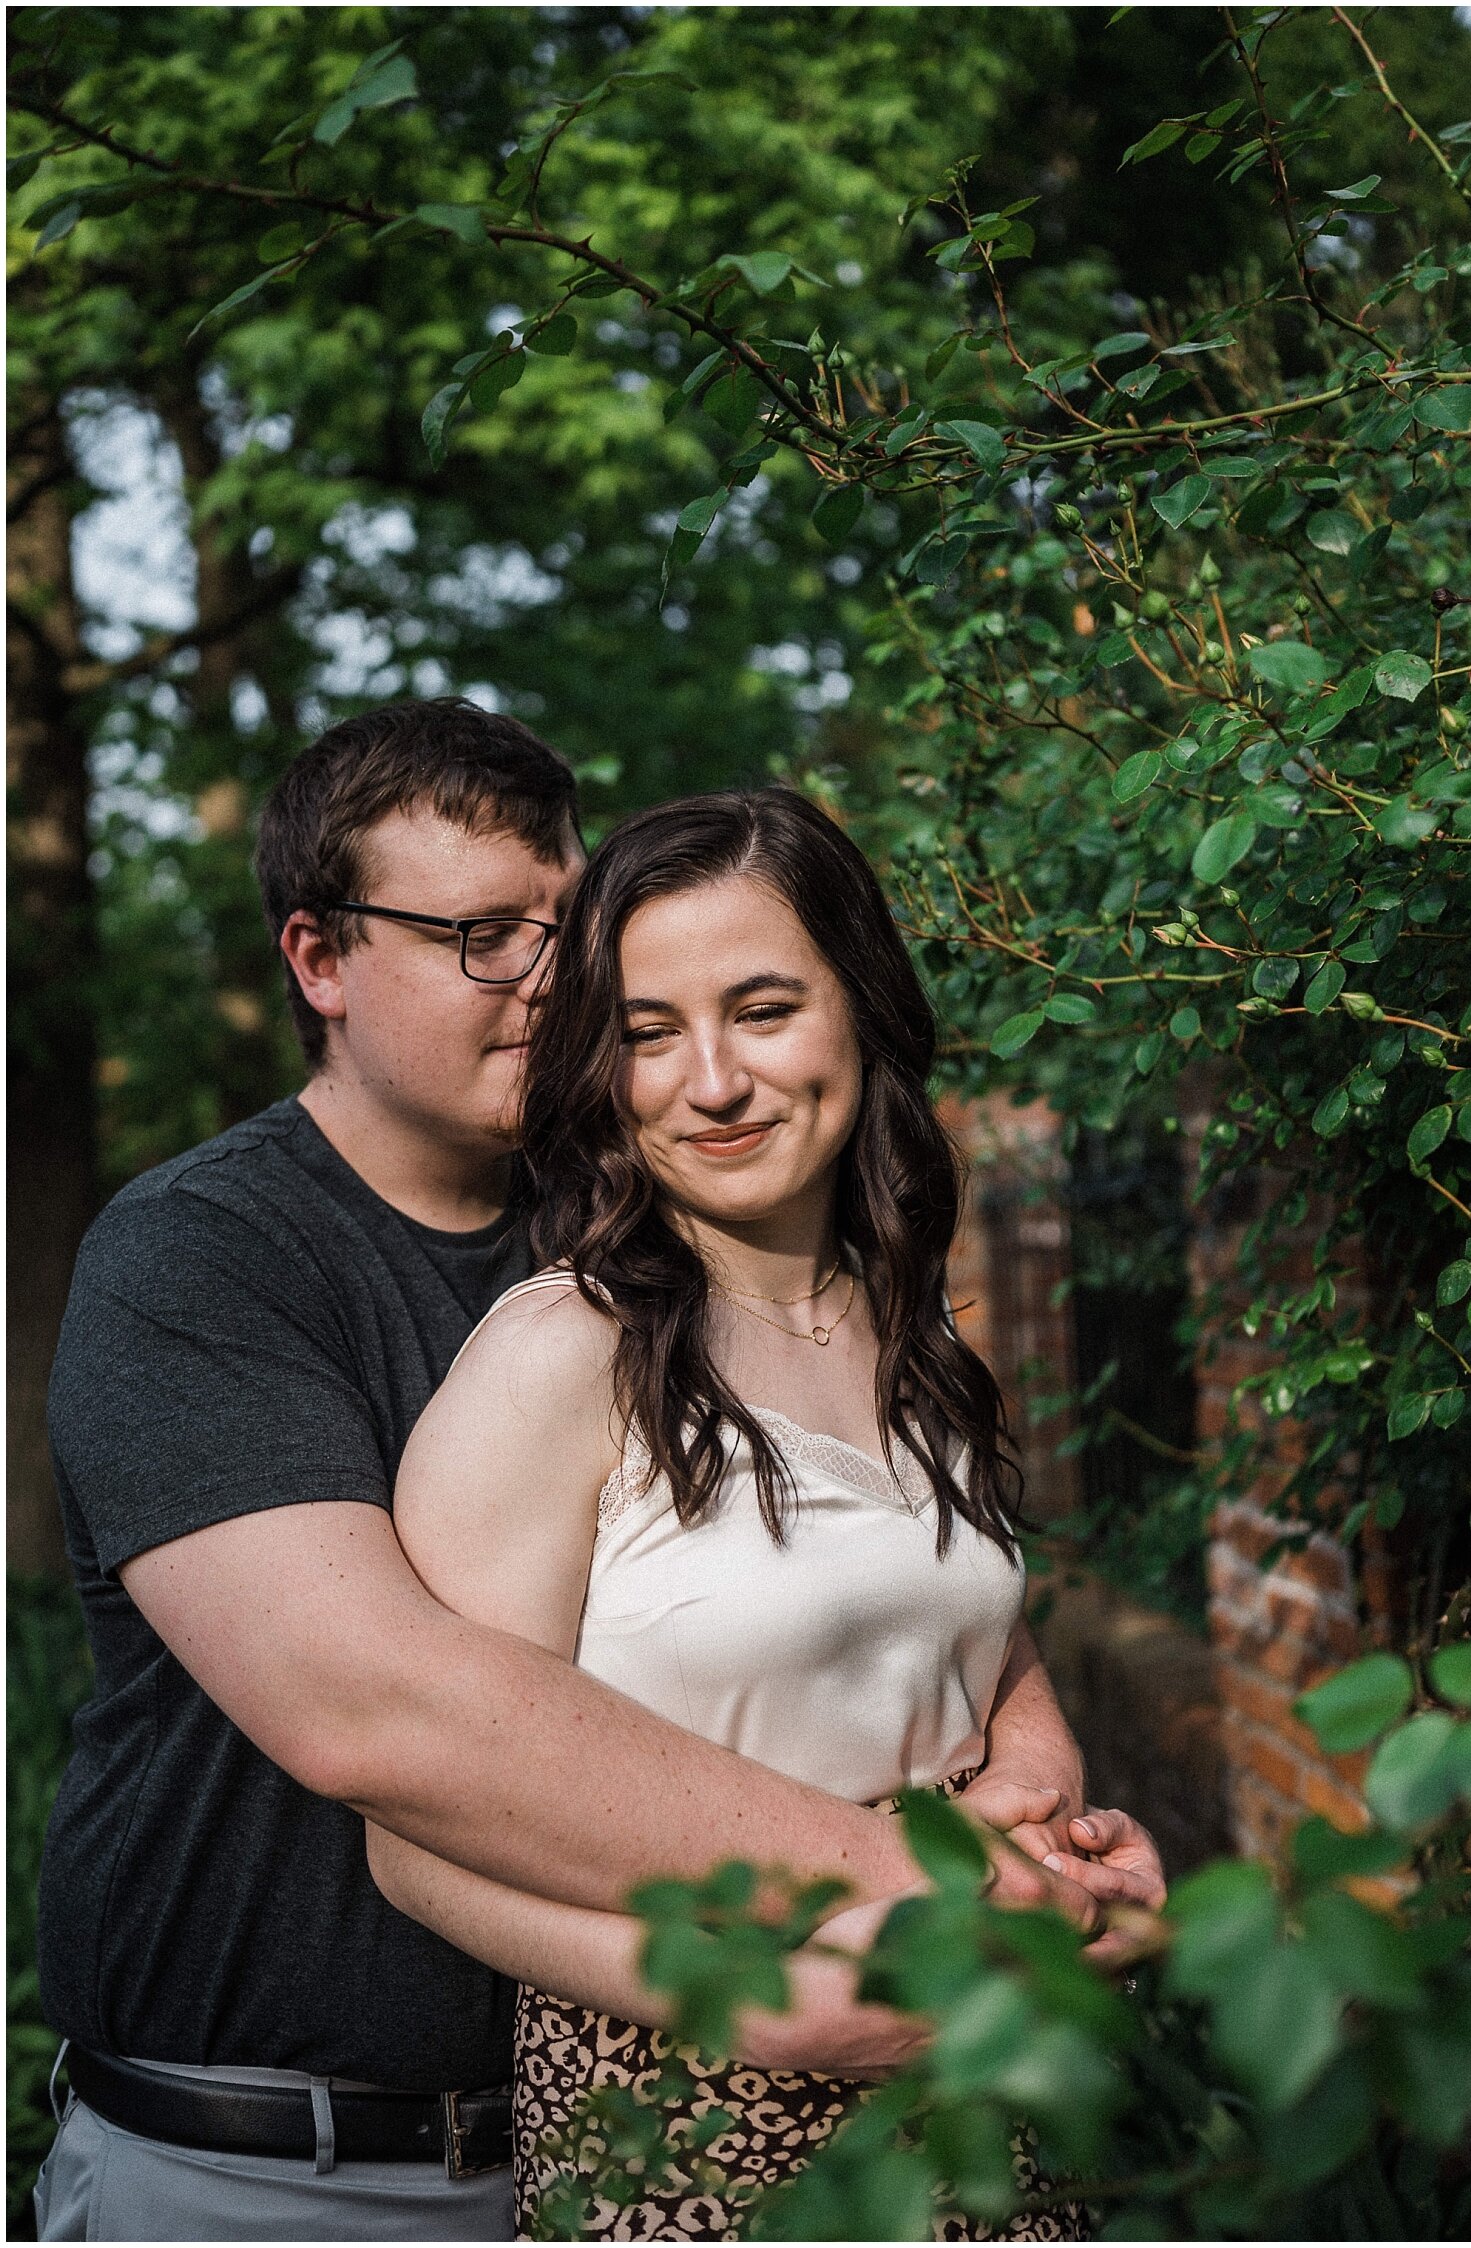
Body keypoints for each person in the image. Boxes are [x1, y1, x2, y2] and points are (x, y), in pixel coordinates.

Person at [34, 705, 1164, 2244]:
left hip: (666, 2106)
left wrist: (1026, 1783)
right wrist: (891, 1884)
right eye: (483, 936)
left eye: (568, 929)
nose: (556, 980)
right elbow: (379, 1711)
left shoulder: (678, 1224)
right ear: (318, 962)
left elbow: (886, 1570)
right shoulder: (208, 1262)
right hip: (285, 2165)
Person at [366, 788, 1159, 2241]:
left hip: (983, 2090)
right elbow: (414, 1842)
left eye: (764, 1009)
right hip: (688, 2113)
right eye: (650, 1033)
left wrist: (1060, 1840)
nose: (711, 1081)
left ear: (860, 1008)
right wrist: (763, 2012)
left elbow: (984, 1653)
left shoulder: (924, 1341)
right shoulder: (559, 1359)